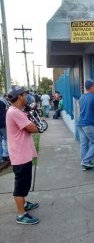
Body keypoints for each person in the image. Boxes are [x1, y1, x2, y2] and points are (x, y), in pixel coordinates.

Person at [6, 85, 40, 225]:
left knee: (25, 183)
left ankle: (24, 204)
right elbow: (34, 128)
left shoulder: (15, 111)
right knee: (20, 186)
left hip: (22, 153)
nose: (27, 97)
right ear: (19, 96)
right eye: (25, 94)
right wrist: (31, 122)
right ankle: (21, 215)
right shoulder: (15, 112)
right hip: (20, 155)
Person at [77, 80, 94, 170]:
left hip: (81, 123)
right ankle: (85, 161)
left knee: (84, 144)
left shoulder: (82, 97)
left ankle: (84, 164)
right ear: (92, 86)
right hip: (89, 124)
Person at [0, 94, 10, 163]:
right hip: (3, 124)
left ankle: (0, 158)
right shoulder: (3, 102)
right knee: (6, 139)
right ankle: (6, 155)